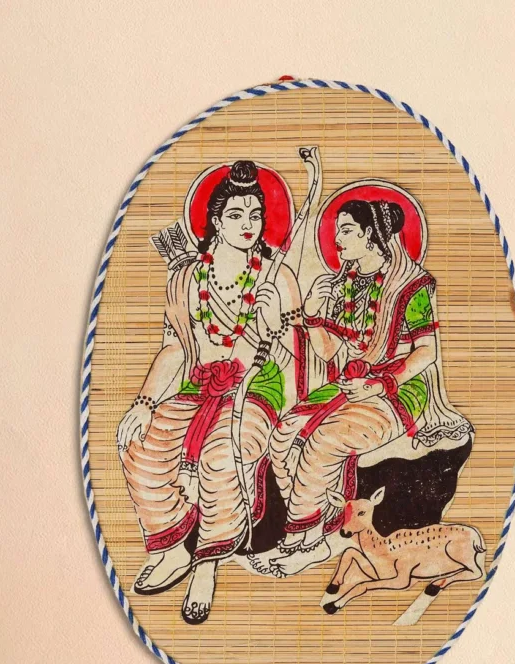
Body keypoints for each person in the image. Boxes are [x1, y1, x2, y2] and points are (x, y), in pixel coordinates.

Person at [118, 161, 301, 624]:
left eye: (255, 215)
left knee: (222, 454)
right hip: (198, 385)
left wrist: (275, 323)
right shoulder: (186, 279)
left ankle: (207, 563)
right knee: (139, 444)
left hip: (256, 385)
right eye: (236, 215)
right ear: (216, 221)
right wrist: (144, 403)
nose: (248, 225)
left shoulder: (276, 277)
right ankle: (174, 547)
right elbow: (175, 348)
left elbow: (302, 354)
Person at [266, 197, 471, 577]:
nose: (337, 239)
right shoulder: (342, 284)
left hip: (400, 389)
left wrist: (380, 385)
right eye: (336, 231)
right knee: (283, 433)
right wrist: (310, 317)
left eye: (346, 230)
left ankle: (308, 541)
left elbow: (426, 352)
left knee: (323, 442)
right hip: (350, 384)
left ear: (371, 236)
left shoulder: (409, 285)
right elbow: (329, 351)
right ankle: (308, 530)